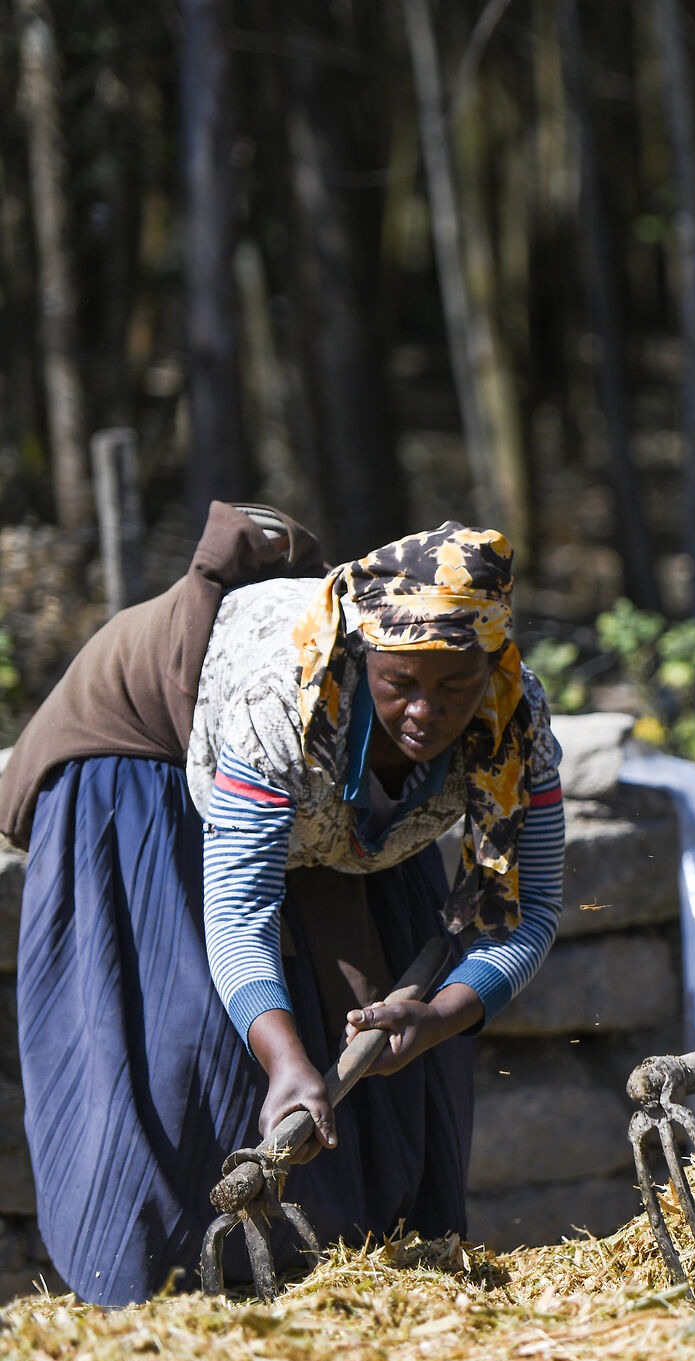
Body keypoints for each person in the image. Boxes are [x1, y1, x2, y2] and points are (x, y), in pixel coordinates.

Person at [2, 508, 565, 1305]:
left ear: (494, 664)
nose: (427, 713)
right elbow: (238, 913)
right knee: (185, 1044)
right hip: (144, 748)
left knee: (391, 1033)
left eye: (455, 686)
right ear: (364, 655)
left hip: (345, 812)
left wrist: (441, 1016)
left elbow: (528, 907)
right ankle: (149, 1301)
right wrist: (285, 1061)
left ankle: (361, 1271)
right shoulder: (282, 702)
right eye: (400, 682)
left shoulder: (518, 722)